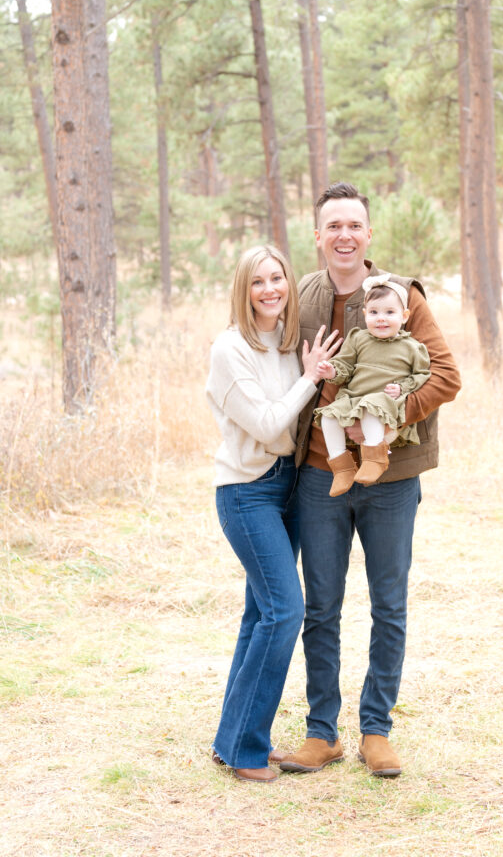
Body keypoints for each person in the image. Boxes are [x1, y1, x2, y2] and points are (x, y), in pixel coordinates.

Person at [280, 183, 461, 779]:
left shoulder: (401, 294)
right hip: (317, 474)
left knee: (389, 603)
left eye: (354, 224)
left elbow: (446, 375)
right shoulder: (298, 295)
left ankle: (377, 730)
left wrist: (384, 420)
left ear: (369, 233)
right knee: (321, 607)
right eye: (333, 225)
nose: (344, 235)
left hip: (391, 478)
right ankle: (321, 731)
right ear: (318, 235)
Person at [206, 244, 340, 783]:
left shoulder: (286, 344)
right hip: (246, 490)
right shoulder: (230, 348)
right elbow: (266, 424)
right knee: (285, 611)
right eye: (258, 282)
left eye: (277, 279)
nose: (270, 290)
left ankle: (231, 739)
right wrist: (309, 378)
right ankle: (245, 749)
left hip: (288, 486)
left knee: (259, 615)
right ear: (244, 289)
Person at [314, 274, 431, 496]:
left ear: (404, 316)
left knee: (370, 406)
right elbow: (345, 364)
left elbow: (422, 375)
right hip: (355, 398)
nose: (381, 319)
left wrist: (403, 388)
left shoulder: (412, 347)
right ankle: (342, 467)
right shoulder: (359, 338)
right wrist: (333, 370)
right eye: (374, 312)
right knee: (329, 416)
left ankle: (374, 458)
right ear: (366, 314)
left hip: (386, 403)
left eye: (390, 312)